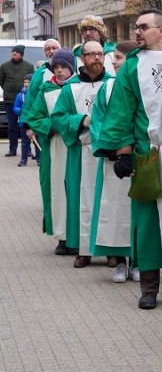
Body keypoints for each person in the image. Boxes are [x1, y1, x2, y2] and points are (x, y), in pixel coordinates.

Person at [93, 8, 162, 310]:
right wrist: (123, 153)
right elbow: (121, 110)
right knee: (148, 222)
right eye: (135, 27)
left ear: (161, 31)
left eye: (143, 27)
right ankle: (149, 286)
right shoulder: (131, 66)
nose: (137, 32)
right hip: (147, 152)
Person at [51, 40, 112, 269]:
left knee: (110, 202)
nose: (96, 57)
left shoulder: (114, 84)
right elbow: (57, 118)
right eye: (91, 54)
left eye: (100, 53)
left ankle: (112, 251)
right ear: (82, 59)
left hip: (109, 152)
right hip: (82, 152)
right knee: (82, 201)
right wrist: (81, 120)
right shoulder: (71, 88)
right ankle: (83, 250)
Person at [89, 40, 137, 283]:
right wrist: (109, 147)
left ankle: (138, 260)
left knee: (138, 211)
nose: (114, 62)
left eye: (119, 57)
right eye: (114, 57)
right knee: (115, 210)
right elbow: (97, 121)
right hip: (113, 162)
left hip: (137, 159)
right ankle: (119, 262)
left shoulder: (140, 84)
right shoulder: (107, 89)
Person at [27, 48, 77, 254]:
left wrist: (72, 125)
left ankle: (79, 235)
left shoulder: (78, 87)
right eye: (56, 67)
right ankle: (63, 237)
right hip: (55, 147)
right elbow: (35, 117)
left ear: (71, 68)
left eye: (63, 67)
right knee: (57, 191)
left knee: (78, 190)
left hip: (77, 146)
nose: (59, 71)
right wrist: (54, 126)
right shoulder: (46, 90)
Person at [21, 38, 62, 167]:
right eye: (47, 49)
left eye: (54, 48)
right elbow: (30, 100)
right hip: (46, 127)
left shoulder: (71, 70)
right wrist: (28, 126)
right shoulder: (39, 74)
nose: (51, 51)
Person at [1, 44, 35, 157]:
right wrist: (8, 89)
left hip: (25, 100)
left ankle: (27, 150)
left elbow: (32, 81)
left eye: (16, 52)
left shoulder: (29, 66)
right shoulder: (4, 66)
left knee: (26, 125)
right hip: (10, 99)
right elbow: (1, 81)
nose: (14, 53)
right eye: (13, 51)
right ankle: (12, 149)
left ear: (21, 54)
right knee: (11, 126)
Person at [12, 74, 33, 166]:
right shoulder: (20, 95)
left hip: (34, 121)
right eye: (25, 82)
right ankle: (23, 159)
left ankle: (39, 159)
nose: (26, 84)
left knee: (37, 141)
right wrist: (20, 110)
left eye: (28, 82)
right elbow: (15, 107)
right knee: (25, 141)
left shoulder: (36, 94)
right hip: (23, 121)